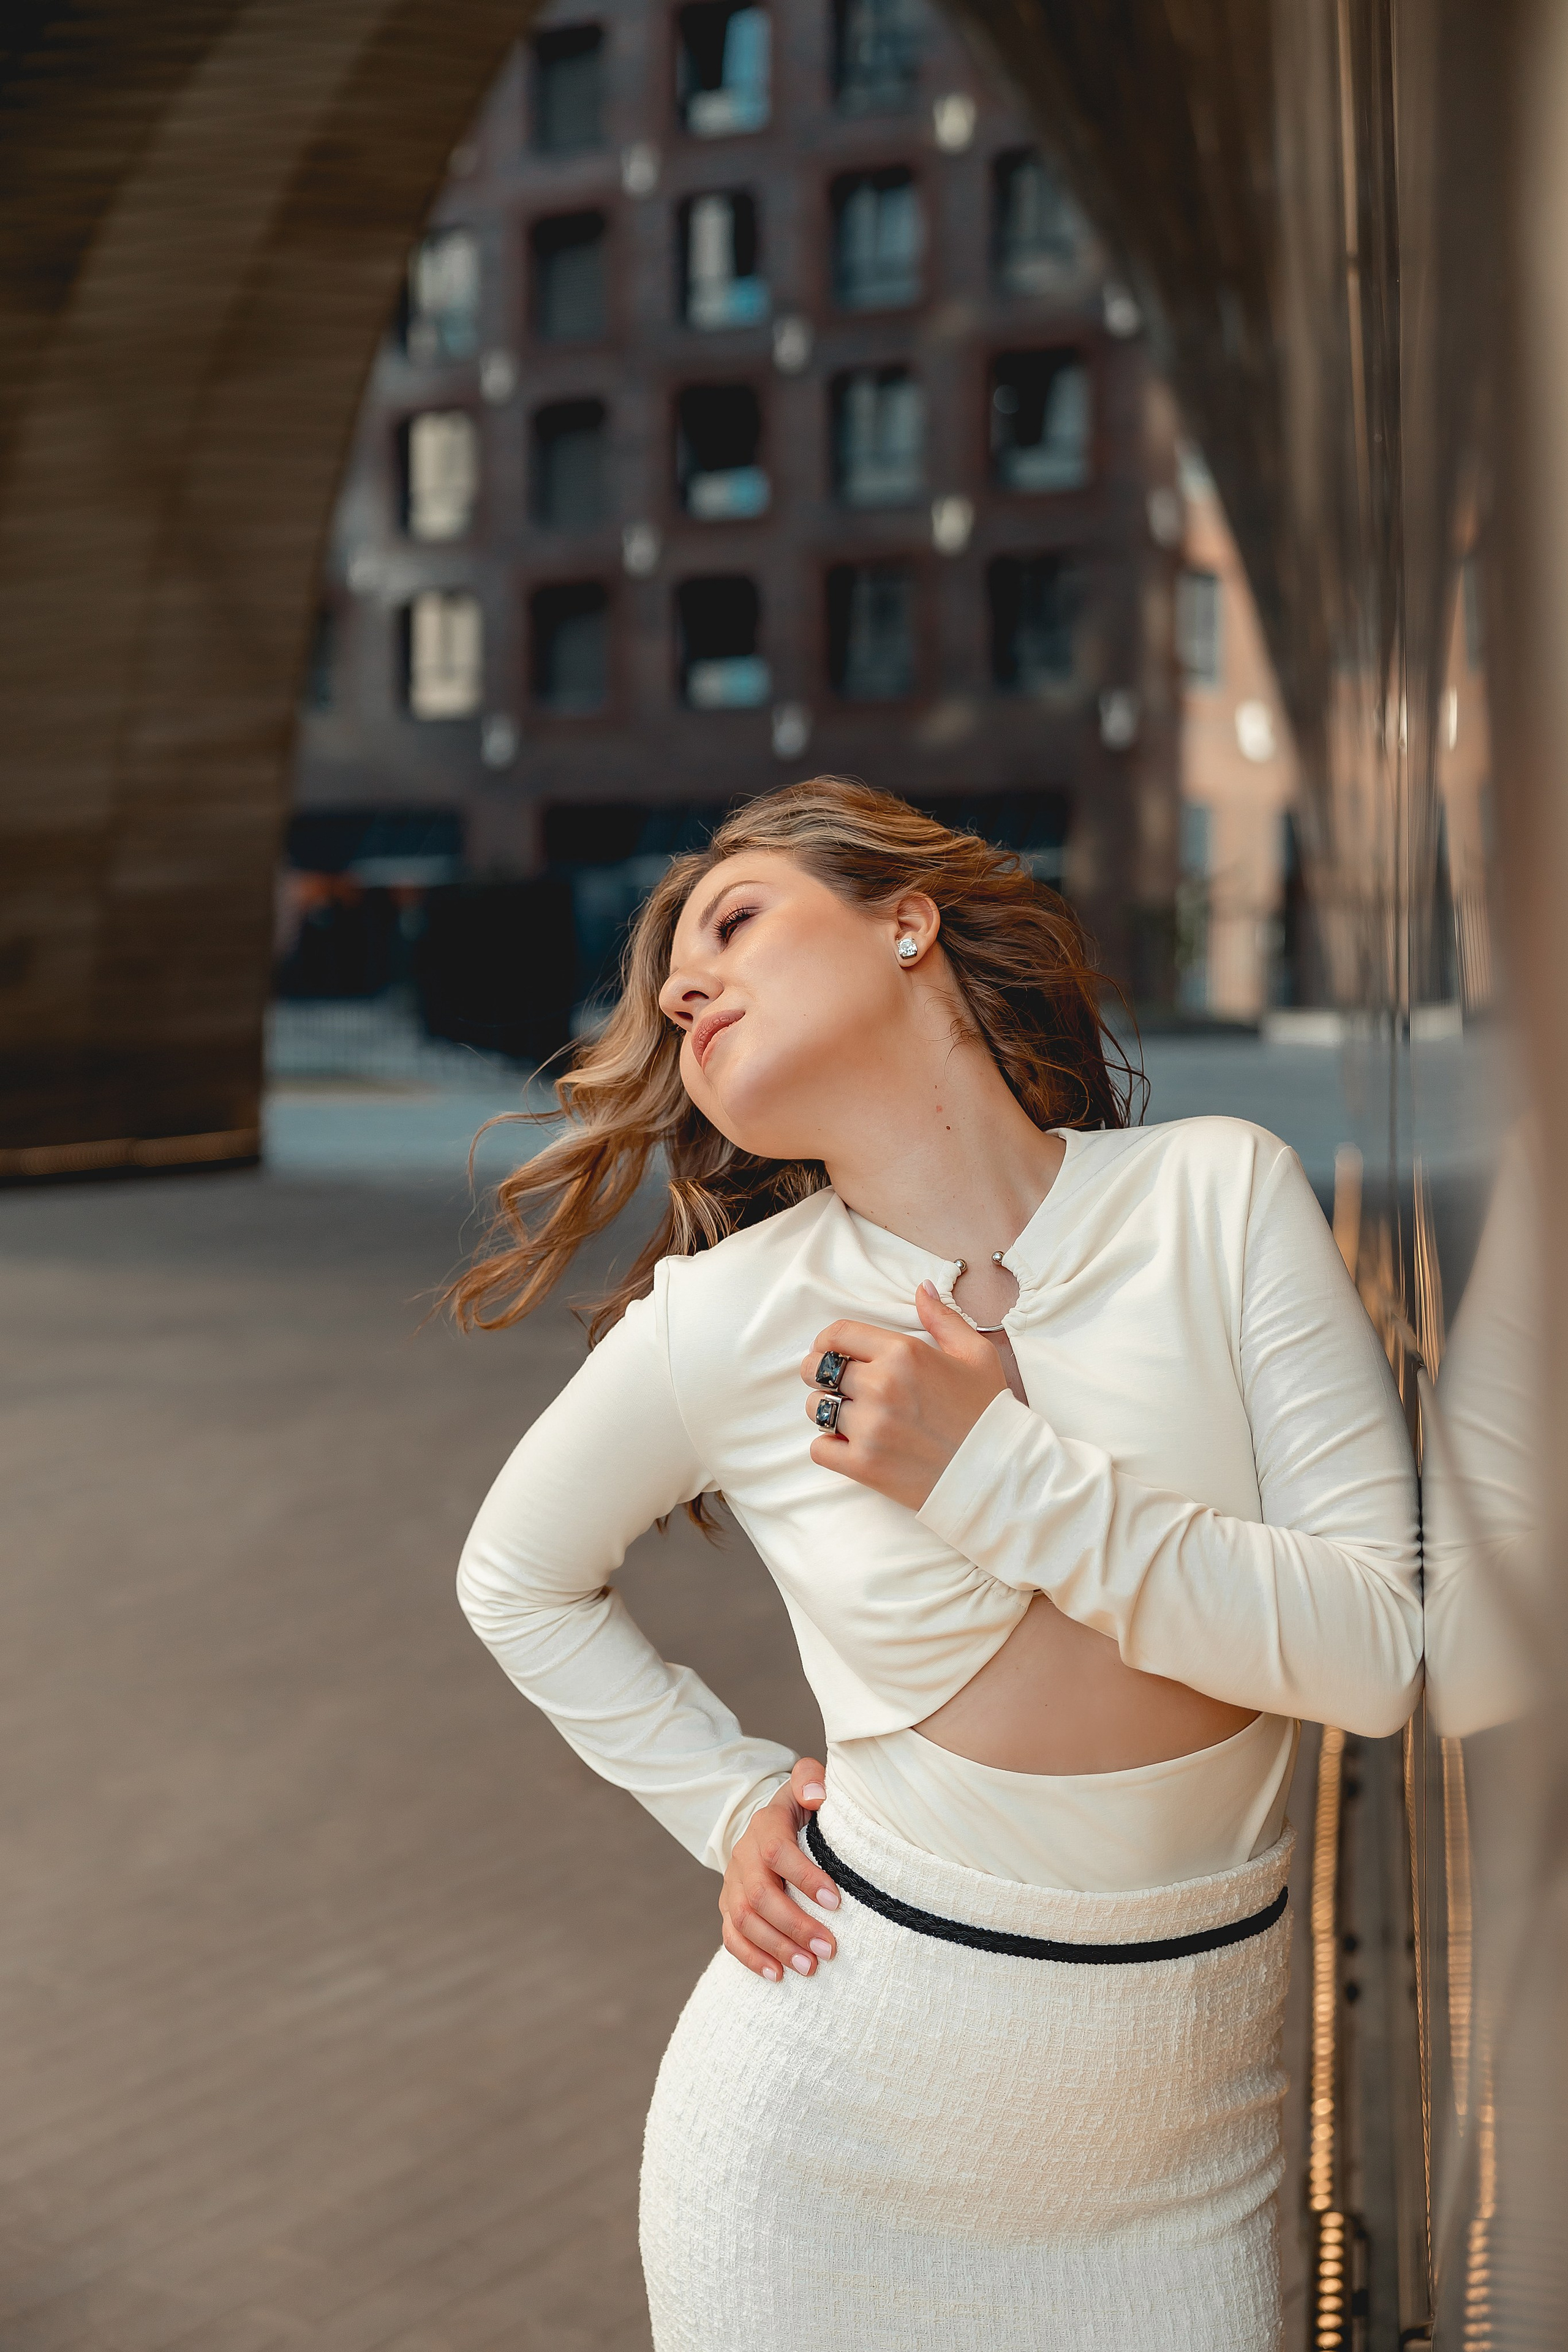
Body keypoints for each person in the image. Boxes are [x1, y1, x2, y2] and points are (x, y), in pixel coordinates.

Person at [452, 776, 1420, 2352]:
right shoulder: (722, 1315)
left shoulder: (1216, 1194)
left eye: (733, 920)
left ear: (906, 920)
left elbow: (1376, 1658)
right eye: (665, 985)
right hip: (825, 2145)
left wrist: (995, 1475)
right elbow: (515, 1579)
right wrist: (723, 1798)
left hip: (1191, 2177)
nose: (684, 985)